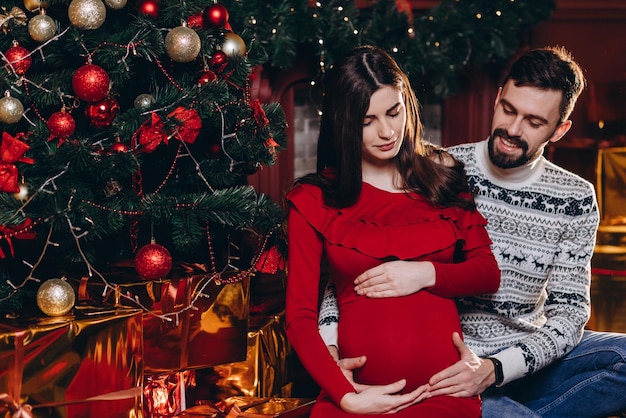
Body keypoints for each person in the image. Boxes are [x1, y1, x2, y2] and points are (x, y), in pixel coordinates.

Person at [319, 46, 626, 417]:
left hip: (523, 359)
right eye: (508, 110)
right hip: (448, 367)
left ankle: (513, 408)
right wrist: (329, 346)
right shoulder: (438, 170)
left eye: (533, 122)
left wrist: (497, 370)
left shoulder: (575, 197)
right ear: (497, 97)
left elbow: (571, 312)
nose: (512, 130)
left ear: (559, 129)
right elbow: (352, 269)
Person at [284, 45, 501, 417]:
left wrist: (424, 273)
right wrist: (346, 395)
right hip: (356, 397)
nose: (386, 132)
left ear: (407, 104)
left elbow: (487, 273)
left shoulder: (444, 178)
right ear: (342, 123)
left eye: (394, 112)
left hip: (443, 391)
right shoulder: (313, 199)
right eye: (366, 121)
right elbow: (299, 317)